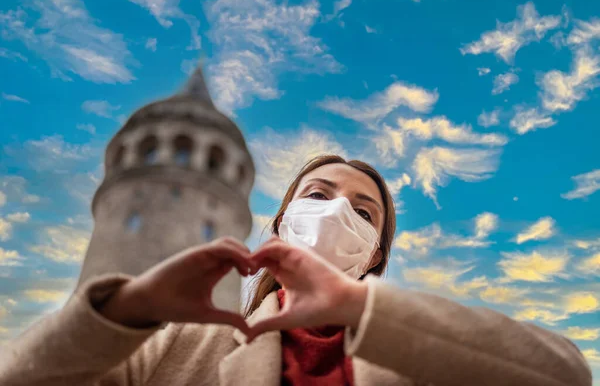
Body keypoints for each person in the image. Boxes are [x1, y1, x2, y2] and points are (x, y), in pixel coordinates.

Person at [0, 155, 592, 386]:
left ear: (374, 255)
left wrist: (360, 307)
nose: (336, 212)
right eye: (318, 194)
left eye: (363, 212)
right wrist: (127, 310)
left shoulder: (419, 354)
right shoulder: (183, 342)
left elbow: (563, 375)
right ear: (282, 221)